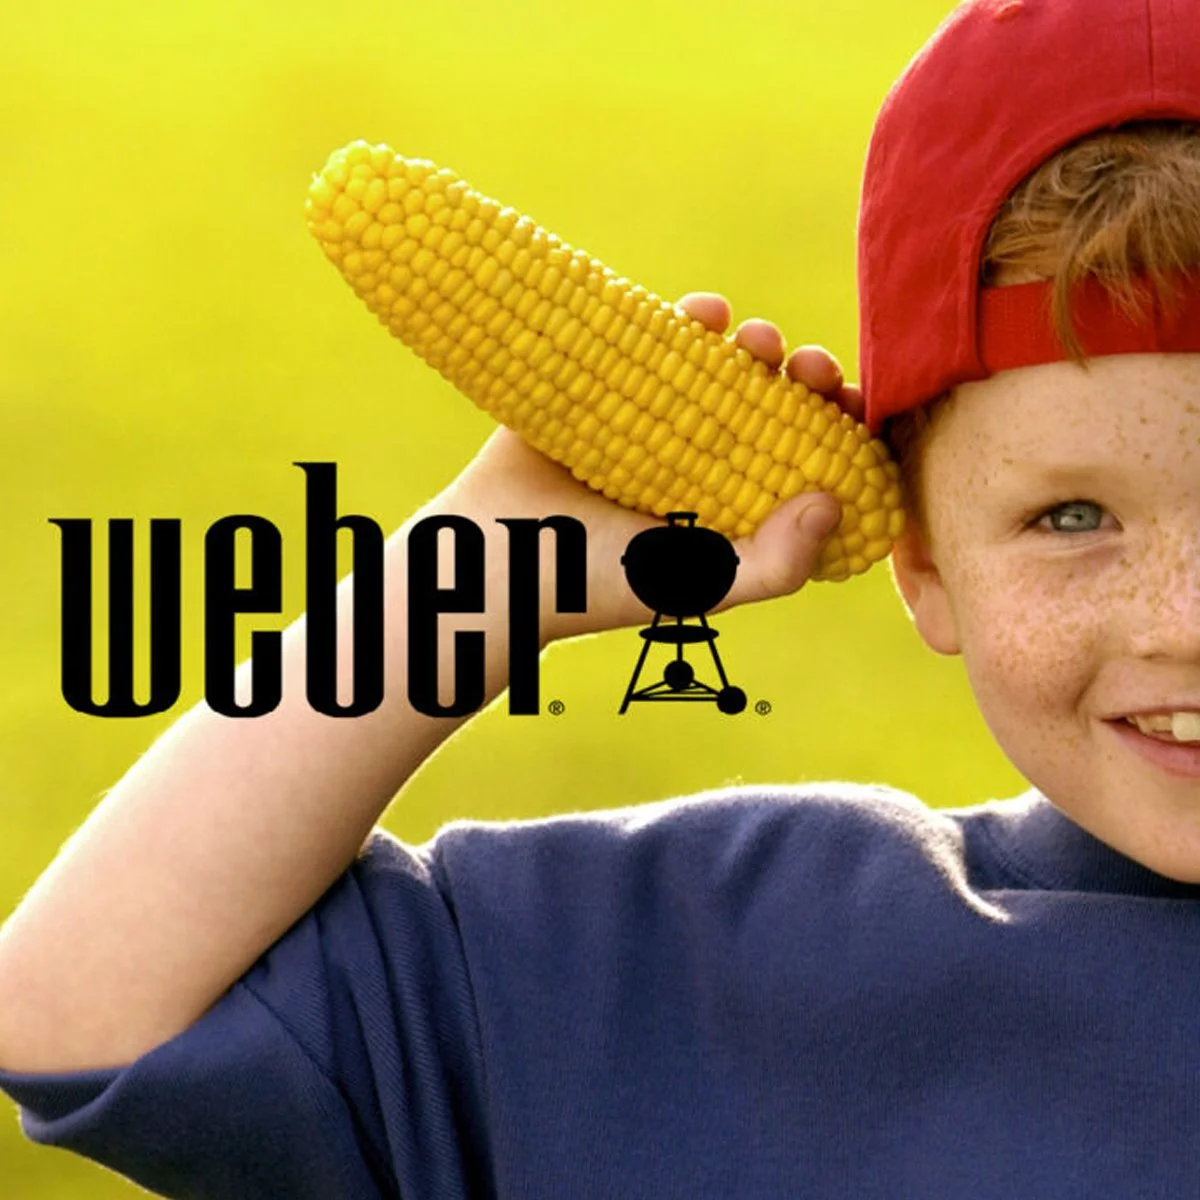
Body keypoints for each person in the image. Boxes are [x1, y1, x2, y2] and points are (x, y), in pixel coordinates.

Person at [2, 0, 1200, 1194]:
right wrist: (474, 574)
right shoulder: (710, 970)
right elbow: (76, 1016)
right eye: (1071, 519)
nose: (1186, 621)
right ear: (927, 562)